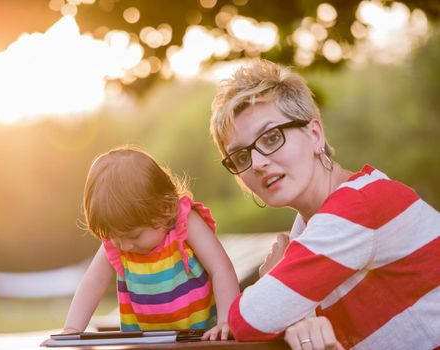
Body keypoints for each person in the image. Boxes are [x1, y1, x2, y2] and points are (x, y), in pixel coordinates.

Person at [210, 58, 440, 349]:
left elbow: (248, 320)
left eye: (270, 137)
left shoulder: (360, 206)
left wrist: (271, 277)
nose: (256, 163)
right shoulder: (308, 230)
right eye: (241, 156)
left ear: (315, 134)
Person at [62, 146, 240, 341]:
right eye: (115, 237)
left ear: (165, 208)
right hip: (144, 342)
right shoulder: (118, 241)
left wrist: (227, 321)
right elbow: (93, 281)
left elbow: (221, 268)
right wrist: (72, 328)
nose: (125, 246)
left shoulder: (185, 223)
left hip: (201, 339)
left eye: (135, 236)